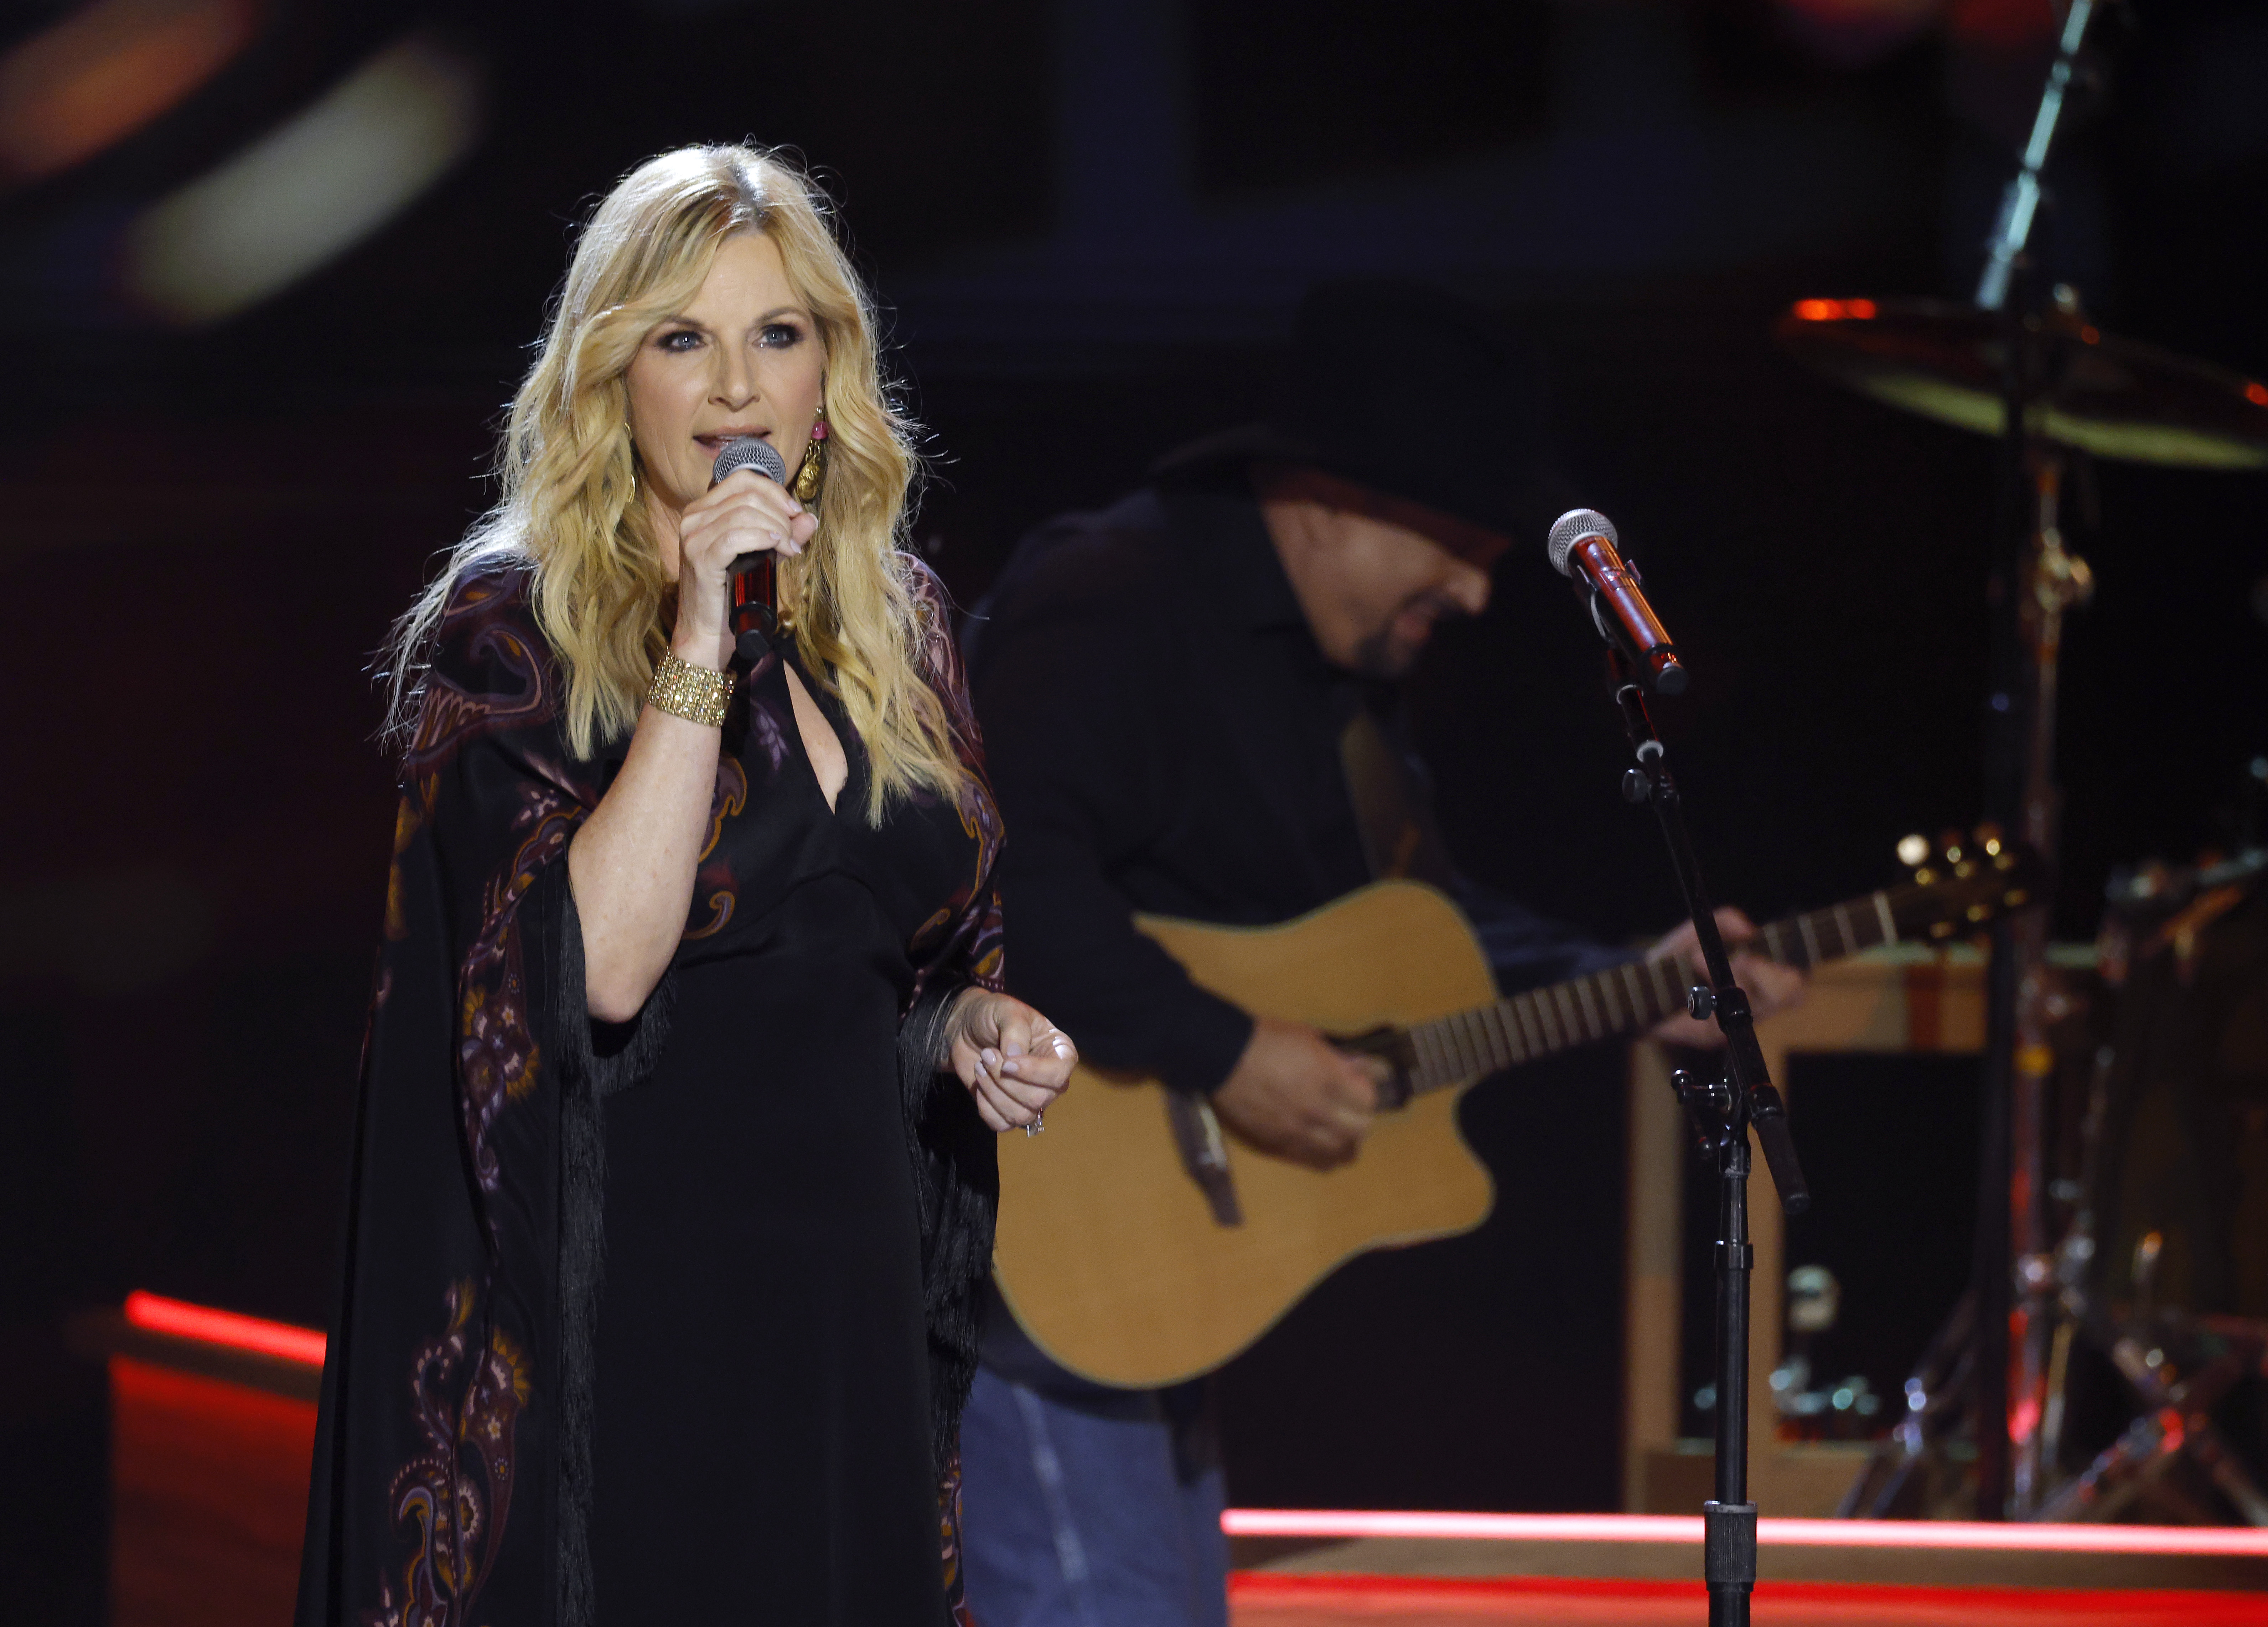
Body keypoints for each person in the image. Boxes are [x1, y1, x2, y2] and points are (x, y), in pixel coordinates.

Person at [292, 145, 1076, 1627]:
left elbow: (889, 951)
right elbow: (594, 967)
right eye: (681, 339)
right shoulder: (513, 631)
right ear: (611, 376)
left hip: (842, 1318)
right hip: (626, 1329)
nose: (734, 387)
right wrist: (702, 640)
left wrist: (966, 1025)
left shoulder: (889, 621)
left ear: (828, 369)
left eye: (776, 334)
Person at [954, 280, 1806, 1626]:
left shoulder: (1338, 679)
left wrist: (1639, 975)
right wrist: (1226, 1052)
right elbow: (1000, 887)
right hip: (1026, 1260)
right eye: (1460, 546)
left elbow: (1421, 924)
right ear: (1333, 501)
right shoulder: (1115, 602)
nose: (1474, 592)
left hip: (1143, 1293)